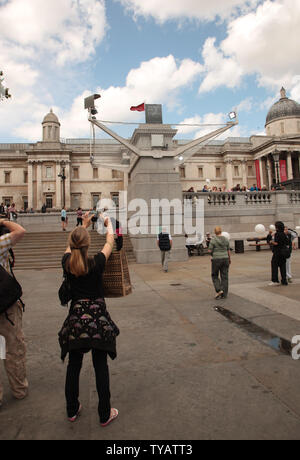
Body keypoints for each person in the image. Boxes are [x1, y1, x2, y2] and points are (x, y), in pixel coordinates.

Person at [58, 211, 119, 426]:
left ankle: (72, 410)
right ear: (87, 244)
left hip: (76, 320)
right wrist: (107, 223)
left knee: (74, 364)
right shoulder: (97, 263)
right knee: (100, 365)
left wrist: (82, 225)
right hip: (98, 320)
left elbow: (70, 246)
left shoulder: (67, 262)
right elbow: (111, 240)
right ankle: (105, 414)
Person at [0, 218, 28, 407]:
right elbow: (20, 231)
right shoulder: (1, 243)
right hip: (5, 305)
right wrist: (3, 220)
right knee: (13, 347)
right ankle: (19, 388)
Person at [208, 226, 231, 299]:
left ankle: (219, 290)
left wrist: (212, 254)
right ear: (221, 231)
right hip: (225, 258)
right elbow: (228, 251)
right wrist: (229, 259)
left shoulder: (213, 240)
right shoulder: (226, 239)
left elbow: (209, 250)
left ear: (215, 232)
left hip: (216, 259)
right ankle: (224, 294)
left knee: (214, 275)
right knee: (225, 276)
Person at [268, 221, 289, 286]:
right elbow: (287, 242)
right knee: (283, 267)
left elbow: (276, 243)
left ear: (277, 227)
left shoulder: (277, 234)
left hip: (277, 252)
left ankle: (275, 280)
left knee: (274, 266)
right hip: (283, 253)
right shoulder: (284, 234)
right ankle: (284, 280)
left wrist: (271, 242)